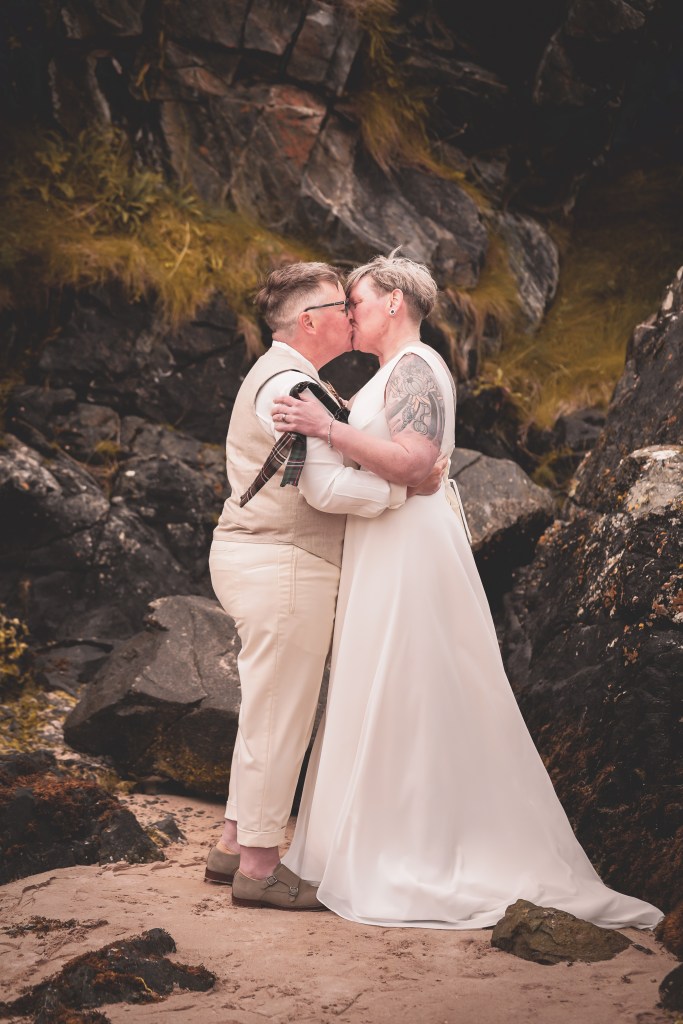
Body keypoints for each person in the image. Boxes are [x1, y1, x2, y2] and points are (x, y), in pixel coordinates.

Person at [271, 251, 664, 930]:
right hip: (386, 540)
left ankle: (414, 848)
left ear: (394, 301)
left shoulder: (416, 368)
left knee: (412, 687)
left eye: (358, 301)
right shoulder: (392, 371)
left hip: (410, 546)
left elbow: (416, 461)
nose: (350, 315)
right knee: (384, 685)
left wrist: (326, 429)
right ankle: (359, 844)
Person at [205, 261, 439, 911]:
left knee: (268, 707)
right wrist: (406, 490)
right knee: (280, 715)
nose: (352, 314)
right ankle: (259, 868)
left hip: (269, 556)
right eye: (342, 305)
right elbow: (325, 487)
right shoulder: (292, 387)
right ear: (310, 322)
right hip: (281, 561)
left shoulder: (287, 376)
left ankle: (232, 844)